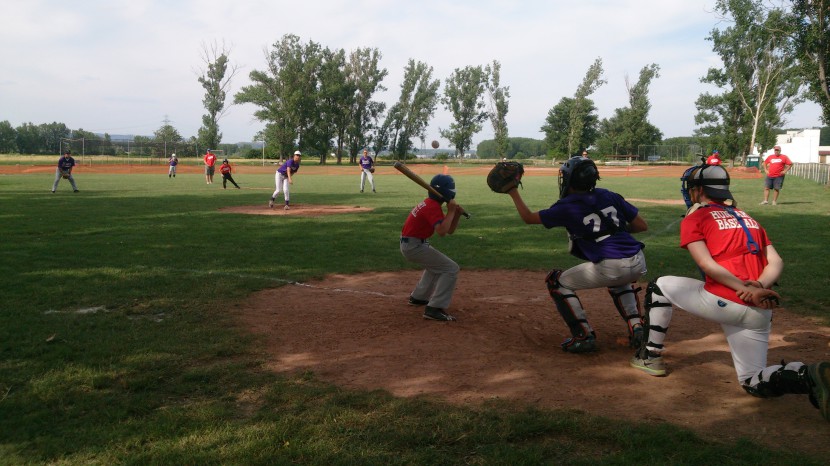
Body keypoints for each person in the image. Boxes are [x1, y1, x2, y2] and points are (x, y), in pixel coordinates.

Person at [629, 162, 830, 421]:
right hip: (760, 309)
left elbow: (705, 264)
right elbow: (776, 261)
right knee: (752, 380)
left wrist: (742, 287)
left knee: (659, 286)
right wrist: (758, 287)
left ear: (699, 190)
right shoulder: (748, 217)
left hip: (725, 299)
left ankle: (650, 357)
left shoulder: (696, 216)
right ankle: (807, 375)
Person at [505, 156, 649, 353]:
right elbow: (641, 225)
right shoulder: (609, 195)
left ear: (571, 180)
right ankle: (637, 327)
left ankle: (583, 336)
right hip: (638, 260)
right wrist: (614, 230)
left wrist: (512, 192)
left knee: (557, 282)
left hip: (612, 265)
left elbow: (528, 218)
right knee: (619, 281)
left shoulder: (567, 206)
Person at [400, 174, 466, 321]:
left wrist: (455, 214)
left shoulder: (431, 203)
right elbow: (441, 232)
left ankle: (418, 297)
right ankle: (434, 308)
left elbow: (448, 229)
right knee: (451, 268)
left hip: (413, 244)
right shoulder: (432, 206)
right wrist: (451, 211)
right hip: (414, 246)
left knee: (436, 266)